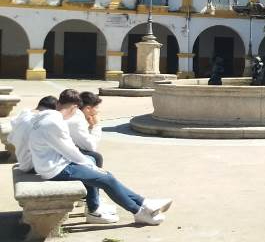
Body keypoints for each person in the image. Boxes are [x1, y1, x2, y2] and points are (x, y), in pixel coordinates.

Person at [30, 89, 171, 225]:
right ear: (74, 108)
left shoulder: (47, 118)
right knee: (106, 179)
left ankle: (144, 203)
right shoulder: (56, 123)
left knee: (103, 173)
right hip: (55, 169)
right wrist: (93, 167)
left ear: (59, 104)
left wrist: (91, 166)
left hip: (52, 164)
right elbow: (70, 151)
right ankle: (139, 212)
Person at [7, 95, 58, 173]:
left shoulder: (22, 116)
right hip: (33, 166)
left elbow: (10, 139)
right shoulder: (40, 121)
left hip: (22, 160)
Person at [69, 91, 104, 167]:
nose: (98, 111)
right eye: (96, 107)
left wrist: (91, 127)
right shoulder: (77, 120)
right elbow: (91, 147)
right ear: (88, 108)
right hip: (56, 158)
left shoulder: (76, 115)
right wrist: (97, 125)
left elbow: (84, 140)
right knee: (97, 157)